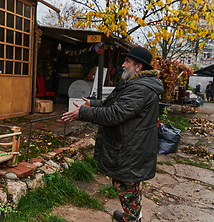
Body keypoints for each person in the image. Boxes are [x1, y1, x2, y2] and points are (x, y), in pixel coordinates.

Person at [62, 46, 164, 222]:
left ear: (138, 67)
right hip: (134, 146)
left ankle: (132, 219)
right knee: (130, 186)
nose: (123, 65)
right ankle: (131, 215)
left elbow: (115, 114)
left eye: (127, 62)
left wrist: (83, 113)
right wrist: (93, 104)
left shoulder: (139, 88)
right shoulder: (138, 84)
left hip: (131, 148)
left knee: (126, 186)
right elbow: (119, 105)